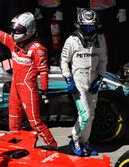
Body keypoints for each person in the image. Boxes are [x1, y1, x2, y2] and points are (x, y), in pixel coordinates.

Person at [0, 9, 57, 147]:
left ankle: (53, 146)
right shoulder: (13, 43)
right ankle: (18, 147)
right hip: (15, 86)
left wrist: (44, 91)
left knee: (35, 123)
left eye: (17, 31)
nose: (13, 34)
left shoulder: (38, 49)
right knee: (13, 121)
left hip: (28, 89)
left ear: (29, 30)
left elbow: (44, 71)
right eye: (13, 30)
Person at [60, 9, 107, 156]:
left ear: (97, 26)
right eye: (86, 27)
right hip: (78, 82)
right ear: (79, 26)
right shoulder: (72, 40)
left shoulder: (100, 39)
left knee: (91, 115)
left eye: (92, 27)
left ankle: (85, 143)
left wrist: (100, 78)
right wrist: (68, 79)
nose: (89, 30)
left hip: (93, 80)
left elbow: (104, 60)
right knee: (85, 115)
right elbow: (63, 61)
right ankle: (74, 140)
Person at [76, 0, 127, 72]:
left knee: (112, 40)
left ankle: (112, 67)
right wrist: (80, 8)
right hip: (91, 11)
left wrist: (122, 9)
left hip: (110, 11)